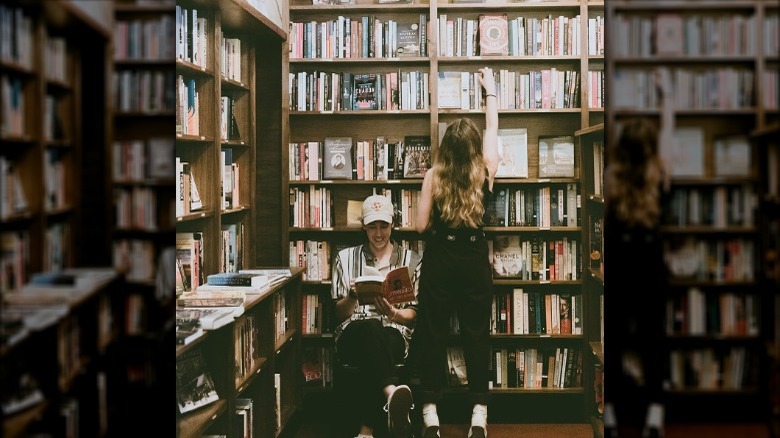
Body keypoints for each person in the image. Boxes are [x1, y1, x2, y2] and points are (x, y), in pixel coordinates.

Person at [413, 66, 498, 438]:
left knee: (432, 331)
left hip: (441, 258)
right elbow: (493, 130)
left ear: (446, 148)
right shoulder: (485, 169)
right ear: (474, 149)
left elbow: (419, 227)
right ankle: (478, 411)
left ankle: (430, 410)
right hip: (474, 257)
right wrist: (490, 91)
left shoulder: (434, 174)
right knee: (476, 334)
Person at [603, 69, 673, 438]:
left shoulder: (612, 177)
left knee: (614, 340)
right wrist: (667, 99)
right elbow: (669, 140)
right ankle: (655, 418)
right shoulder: (658, 175)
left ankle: (610, 417)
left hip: (619, 265)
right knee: (652, 341)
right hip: (649, 264)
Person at [331, 194, 422, 438]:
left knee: (375, 341)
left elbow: (413, 316)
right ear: (364, 226)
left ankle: (366, 430)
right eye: (373, 227)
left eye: (384, 226)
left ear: (393, 225)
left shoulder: (410, 260)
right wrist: (352, 297)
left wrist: (392, 312)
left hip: (393, 333)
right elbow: (338, 315)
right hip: (353, 332)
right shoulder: (345, 258)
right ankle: (392, 393)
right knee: (370, 328)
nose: (379, 233)